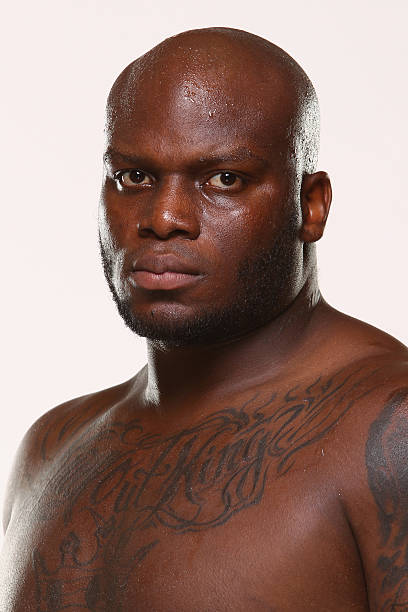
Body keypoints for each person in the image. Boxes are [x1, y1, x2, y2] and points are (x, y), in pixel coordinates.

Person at [1, 26, 407, 612]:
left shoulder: (390, 430)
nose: (163, 218)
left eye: (224, 179)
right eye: (134, 177)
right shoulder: (50, 448)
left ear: (311, 204)